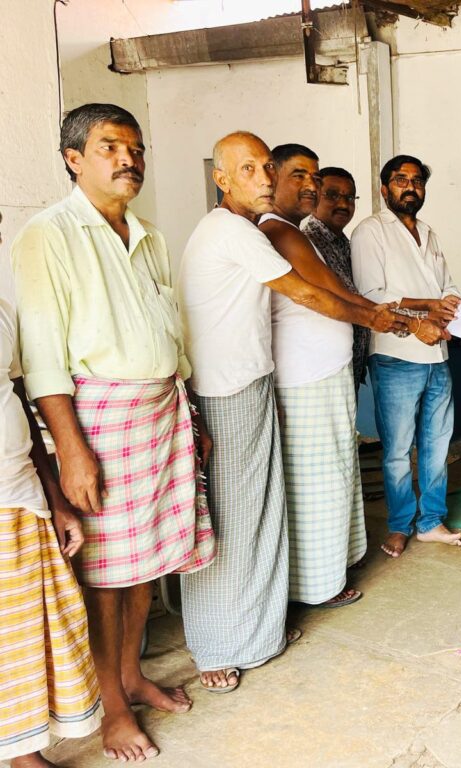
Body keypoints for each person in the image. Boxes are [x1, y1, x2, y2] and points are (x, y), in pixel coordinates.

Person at [11, 103, 215, 762]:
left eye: (136, 148)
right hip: (98, 421)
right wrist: (71, 450)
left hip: (161, 412)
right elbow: (42, 356)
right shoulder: (48, 234)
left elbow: (172, 335)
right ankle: (112, 709)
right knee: (103, 574)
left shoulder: (149, 235)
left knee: (143, 565)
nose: (129, 159)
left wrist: (191, 413)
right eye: (109, 147)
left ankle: (131, 676)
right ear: (74, 159)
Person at [177, 132, 411, 694]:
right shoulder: (238, 230)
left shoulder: (241, 228)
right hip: (224, 391)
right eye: (250, 169)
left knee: (259, 516)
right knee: (231, 523)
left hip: (250, 384)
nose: (263, 178)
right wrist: (379, 320)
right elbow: (308, 293)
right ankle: (215, 646)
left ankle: (256, 634)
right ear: (220, 178)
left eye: (266, 167)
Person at [261, 144, 396, 607]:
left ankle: (335, 565)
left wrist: (383, 316)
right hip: (305, 381)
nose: (310, 186)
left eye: (313, 178)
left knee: (336, 475)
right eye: (299, 175)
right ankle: (316, 586)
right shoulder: (279, 230)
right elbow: (330, 293)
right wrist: (387, 319)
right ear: (272, 177)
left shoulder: (299, 232)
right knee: (315, 485)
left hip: (325, 375)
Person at [0, 218, 101, 767]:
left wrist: (57, 499)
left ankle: (24, 753)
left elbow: (17, 395)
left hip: (17, 490)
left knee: (27, 630)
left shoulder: (3, 310)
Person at [352, 154, 461, 559]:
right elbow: (372, 296)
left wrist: (454, 303)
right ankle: (400, 524)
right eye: (401, 180)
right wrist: (430, 306)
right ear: (384, 189)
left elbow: (447, 286)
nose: (410, 187)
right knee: (398, 450)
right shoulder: (370, 232)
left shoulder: (429, 233)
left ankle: (431, 521)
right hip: (396, 356)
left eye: (417, 181)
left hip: (437, 355)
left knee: (437, 443)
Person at [302, 166, 371, 396]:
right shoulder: (309, 242)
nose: (343, 203)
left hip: (350, 363)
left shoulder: (344, 243)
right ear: (314, 196)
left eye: (350, 197)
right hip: (323, 369)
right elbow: (348, 298)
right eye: (332, 195)